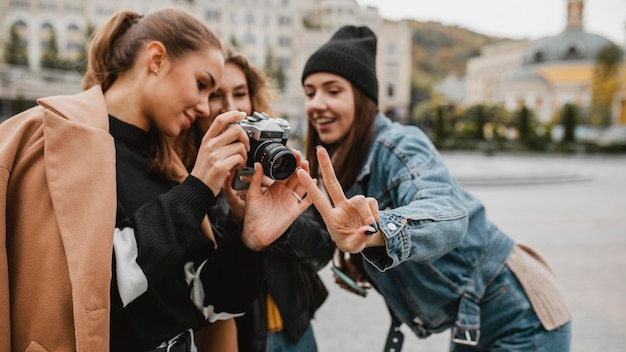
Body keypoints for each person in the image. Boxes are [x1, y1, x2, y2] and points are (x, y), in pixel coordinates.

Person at [0, 8, 313, 352]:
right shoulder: (55, 138)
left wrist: (249, 242)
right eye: (202, 84)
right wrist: (196, 191)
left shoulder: (167, 163)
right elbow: (85, 293)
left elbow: (207, 305)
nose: (206, 107)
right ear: (156, 59)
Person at [295, 25, 573, 352]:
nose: (317, 103)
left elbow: (447, 211)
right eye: (310, 92)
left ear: (363, 97)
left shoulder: (399, 144)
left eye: (333, 90)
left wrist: (376, 232)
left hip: (521, 313)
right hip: (475, 317)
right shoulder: (342, 161)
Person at [179, 49, 333, 352]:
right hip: (238, 338)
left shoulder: (279, 159)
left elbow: (322, 249)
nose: (231, 108)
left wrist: (283, 224)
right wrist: (239, 220)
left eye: (240, 94)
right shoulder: (186, 175)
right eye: (215, 95)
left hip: (295, 328)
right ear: (196, 103)